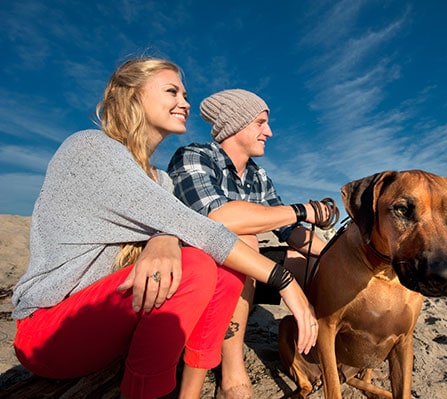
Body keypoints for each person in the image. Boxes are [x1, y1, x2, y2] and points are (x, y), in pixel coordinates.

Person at [11, 58, 318, 399]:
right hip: (51, 329)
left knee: (220, 265)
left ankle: (189, 392)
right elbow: (198, 225)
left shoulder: (162, 180)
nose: (185, 102)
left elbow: (171, 220)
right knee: (200, 263)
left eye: (184, 93)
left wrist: (165, 238)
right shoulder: (89, 148)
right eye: (172, 91)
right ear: (131, 96)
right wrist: (286, 284)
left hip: (117, 318)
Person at [168, 89, 337, 399]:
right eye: (260, 123)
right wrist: (304, 209)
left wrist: (335, 256)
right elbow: (216, 217)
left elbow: (290, 229)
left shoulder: (258, 176)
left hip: (243, 271)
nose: (269, 132)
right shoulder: (194, 156)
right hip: (195, 274)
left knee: (310, 263)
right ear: (236, 124)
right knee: (243, 238)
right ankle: (231, 370)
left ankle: (327, 348)